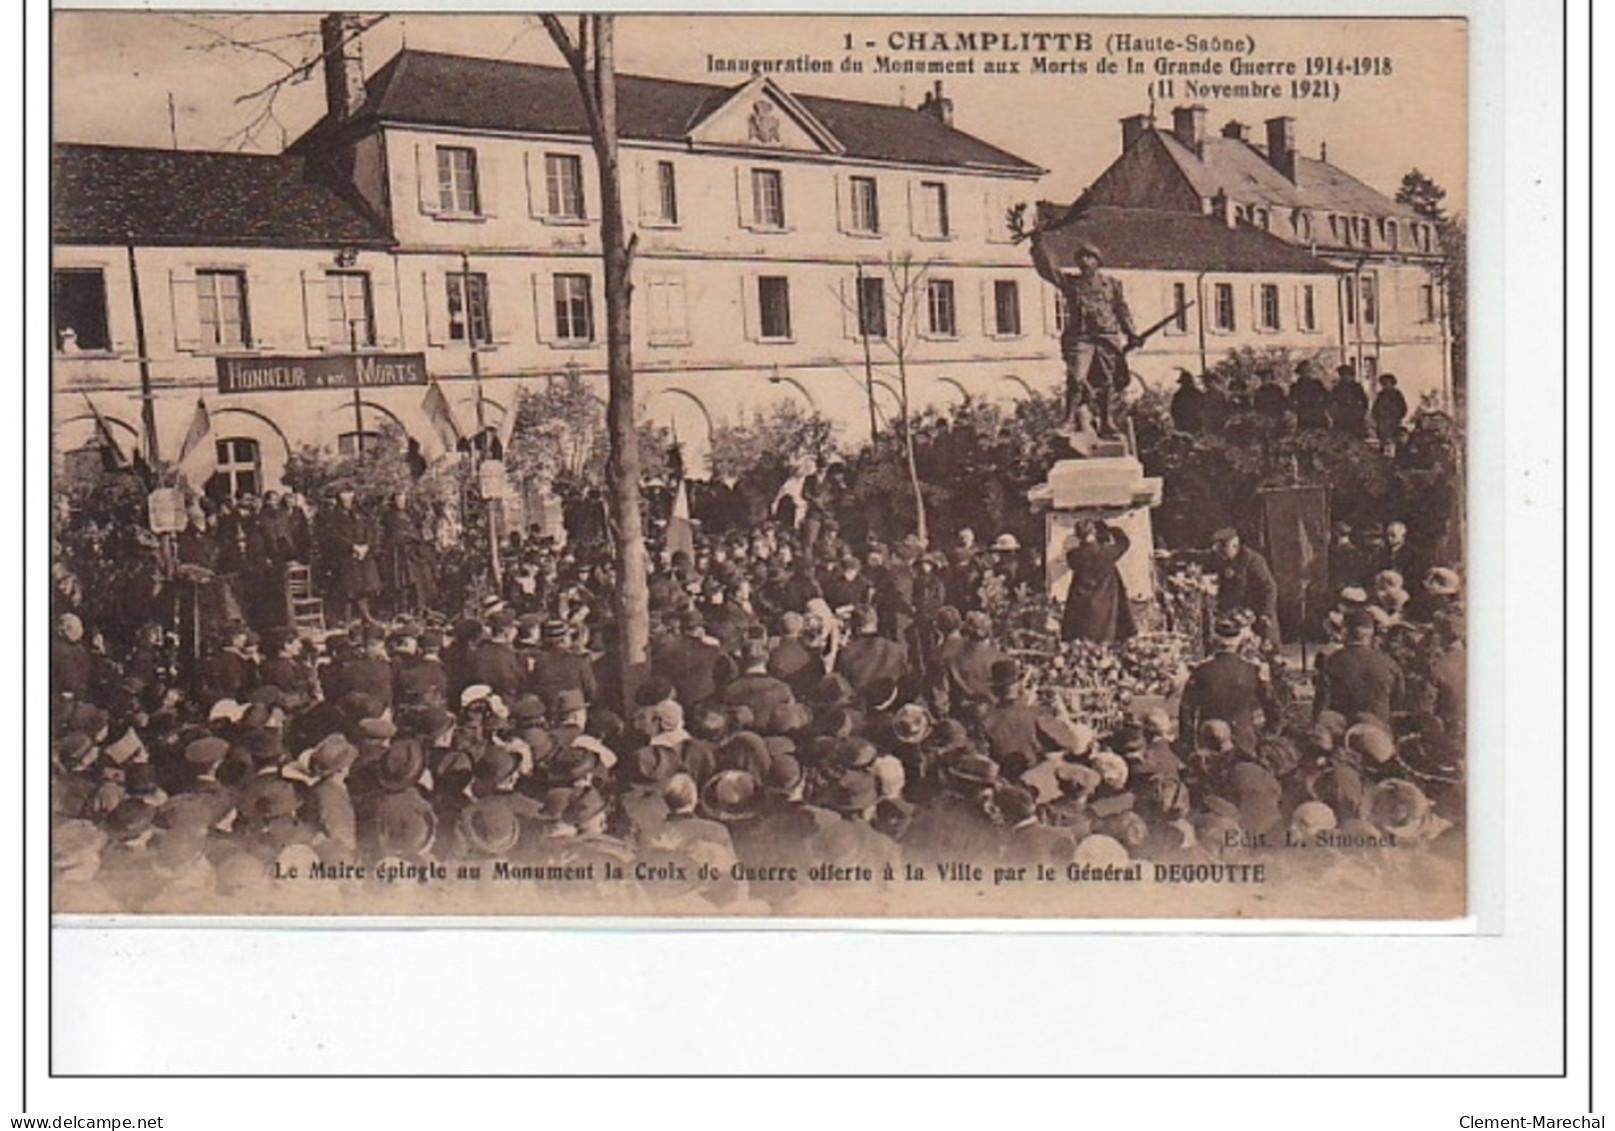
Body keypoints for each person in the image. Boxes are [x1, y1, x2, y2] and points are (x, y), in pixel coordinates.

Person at [1030, 236, 1140, 437]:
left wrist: (1131, 333)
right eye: (1080, 258)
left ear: (1098, 261)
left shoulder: (1112, 285)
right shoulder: (1072, 283)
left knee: (1106, 382)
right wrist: (1038, 246)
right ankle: (1069, 421)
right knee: (1076, 377)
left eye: (1089, 257)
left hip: (1107, 337)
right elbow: (1049, 271)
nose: (1084, 261)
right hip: (1081, 338)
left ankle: (1107, 422)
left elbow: (1121, 309)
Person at [1060, 520, 1134, 644]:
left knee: (1084, 638)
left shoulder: (1074, 556)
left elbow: (1070, 556)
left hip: (1081, 604)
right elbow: (1124, 543)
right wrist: (1112, 528)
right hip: (1105, 603)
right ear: (1094, 533)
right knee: (1105, 636)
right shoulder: (1107, 553)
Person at [1208, 528, 1281, 647]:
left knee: (1265, 653)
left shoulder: (1254, 561)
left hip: (1258, 616)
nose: (1220, 556)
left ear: (1235, 546)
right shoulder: (1224, 559)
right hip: (1237, 617)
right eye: (1218, 551)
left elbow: (1270, 587)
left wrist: (1266, 614)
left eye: (1223, 551)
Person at [1288, 360, 1331, 431]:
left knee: (1321, 436)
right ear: (1300, 373)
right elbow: (1290, 401)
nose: (1306, 374)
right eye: (1303, 372)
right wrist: (1298, 410)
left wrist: (1322, 406)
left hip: (1318, 413)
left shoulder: (1317, 384)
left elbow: (1328, 396)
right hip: (1304, 415)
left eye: (1308, 371)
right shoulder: (1296, 386)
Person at [1328, 366, 1370, 437]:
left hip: (1355, 415)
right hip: (1342, 415)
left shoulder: (1357, 387)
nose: (1345, 377)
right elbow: (1330, 402)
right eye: (1342, 375)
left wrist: (1361, 413)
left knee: (1356, 436)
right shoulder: (1337, 388)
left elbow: (1364, 401)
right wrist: (1335, 414)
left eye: (1347, 375)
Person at [1372, 374, 1409, 446]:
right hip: (1382, 423)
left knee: (1394, 441)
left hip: (1393, 422)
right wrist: (1378, 418)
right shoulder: (1381, 395)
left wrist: (1396, 416)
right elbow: (1375, 409)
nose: (1385, 386)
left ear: (1392, 384)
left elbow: (1403, 408)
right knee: (1383, 441)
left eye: (1387, 383)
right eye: (1383, 384)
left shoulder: (1397, 394)